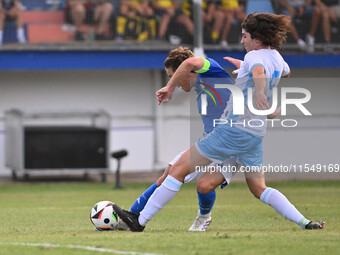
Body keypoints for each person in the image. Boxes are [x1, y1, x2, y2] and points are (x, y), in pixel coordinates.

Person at [112, 13, 324, 232]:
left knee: (177, 171)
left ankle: (139, 221)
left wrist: (259, 89)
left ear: (257, 38)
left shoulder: (254, 57)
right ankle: (305, 223)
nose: (242, 41)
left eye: (244, 36)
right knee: (259, 188)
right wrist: (249, 72)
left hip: (231, 131)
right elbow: (282, 73)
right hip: (255, 134)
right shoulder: (276, 58)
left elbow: (258, 70)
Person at [127, 46, 235, 231]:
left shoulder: (211, 70)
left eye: (173, 76)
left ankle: (139, 220)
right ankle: (131, 215)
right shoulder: (200, 85)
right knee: (171, 174)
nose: (173, 81)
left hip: (231, 142)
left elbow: (191, 62)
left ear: (184, 71)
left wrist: (169, 87)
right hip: (212, 141)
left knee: (200, 182)